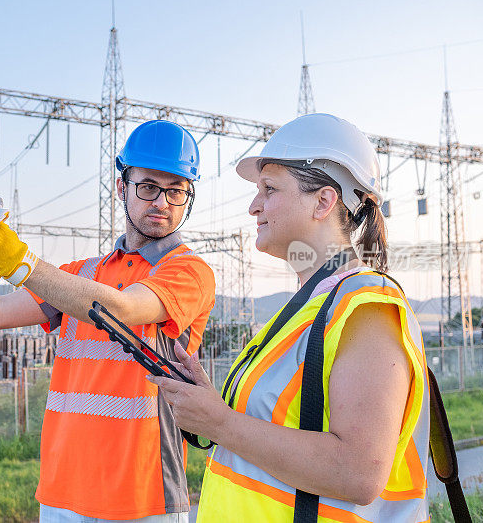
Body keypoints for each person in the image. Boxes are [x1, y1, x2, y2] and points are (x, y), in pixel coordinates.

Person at [0, 120, 216, 522]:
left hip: (143, 497)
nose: (162, 202)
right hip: (62, 492)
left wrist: (18, 261)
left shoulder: (188, 272)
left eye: (176, 191)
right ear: (121, 188)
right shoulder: (79, 274)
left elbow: (123, 309)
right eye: (148, 187)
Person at [148, 113, 430, 522]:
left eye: (269, 188)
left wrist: (221, 423)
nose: (253, 205)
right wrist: (210, 405)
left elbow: (358, 472)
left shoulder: (367, 308)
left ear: (323, 201)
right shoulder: (303, 307)